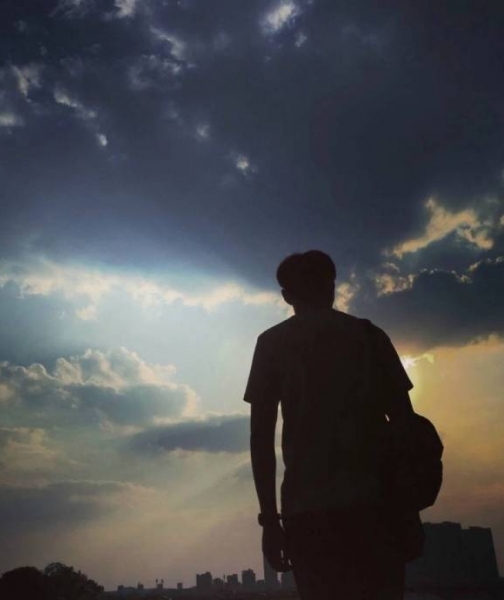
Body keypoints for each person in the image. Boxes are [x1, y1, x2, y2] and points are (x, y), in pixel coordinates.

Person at [244, 250, 415, 600]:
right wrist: (410, 510)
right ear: (331, 286)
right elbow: (407, 429)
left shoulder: (272, 344)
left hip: (308, 511)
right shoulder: (369, 336)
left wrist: (270, 522)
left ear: (287, 296)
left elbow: (260, 440)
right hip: (376, 508)